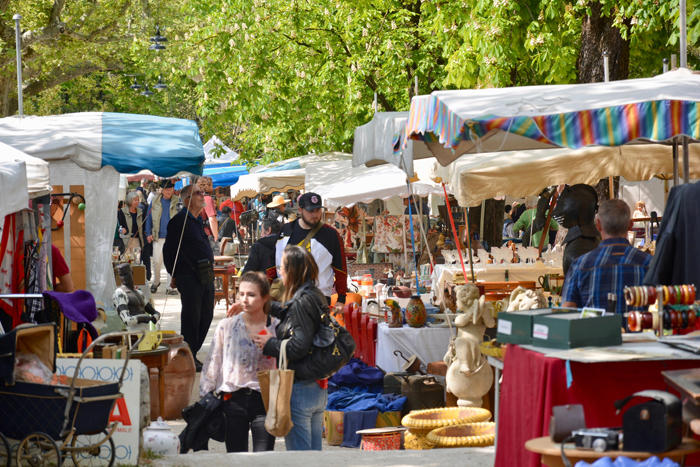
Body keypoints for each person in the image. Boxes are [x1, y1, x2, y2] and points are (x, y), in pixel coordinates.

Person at [249, 245, 328, 451]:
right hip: (317, 387)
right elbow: (290, 312)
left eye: (282, 268)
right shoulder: (314, 294)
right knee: (314, 458)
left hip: (301, 388)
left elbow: (299, 346)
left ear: (291, 271)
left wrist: (269, 344)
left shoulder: (302, 301)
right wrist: (261, 305)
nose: (279, 272)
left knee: (300, 461)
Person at [200, 272, 277, 453]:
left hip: (264, 401)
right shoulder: (227, 326)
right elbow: (213, 362)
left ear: (265, 298)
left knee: (264, 460)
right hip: (233, 399)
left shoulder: (275, 327)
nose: (245, 299)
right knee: (236, 458)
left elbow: (285, 364)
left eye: (251, 295)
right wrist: (205, 397)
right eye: (241, 294)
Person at [561, 199, 652, 314]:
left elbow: (567, 310)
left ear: (598, 225)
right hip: (639, 331)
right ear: (630, 225)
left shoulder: (580, 265)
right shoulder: (649, 263)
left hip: (596, 331)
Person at [163, 184, 214, 371]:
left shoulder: (197, 220)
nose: (203, 196)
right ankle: (189, 355)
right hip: (189, 277)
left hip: (205, 275)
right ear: (187, 200)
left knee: (207, 315)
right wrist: (174, 274)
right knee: (192, 317)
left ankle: (193, 350)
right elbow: (169, 251)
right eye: (198, 193)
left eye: (203, 193)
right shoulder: (179, 221)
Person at [275, 192, 347, 307]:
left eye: (318, 210)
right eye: (310, 211)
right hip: (289, 297)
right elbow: (277, 262)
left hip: (319, 299)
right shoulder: (286, 230)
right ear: (300, 210)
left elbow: (341, 268)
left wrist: (341, 298)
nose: (315, 215)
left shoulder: (331, 235)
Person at [145, 179, 180, 294]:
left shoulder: (177, 201)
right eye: (166, 189)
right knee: (156, 261)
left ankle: (170, 287)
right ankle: (156, 282)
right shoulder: (154, 201)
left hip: (172, 236)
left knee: (171, 262)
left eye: (170, 189)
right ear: (162, 190)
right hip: (157, 236)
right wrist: (148, 233)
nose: (169, 191)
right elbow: (148, 218)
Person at [117, 191, 146, 257]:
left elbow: (143, 226)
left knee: (136, 260)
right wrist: (122, 230)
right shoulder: (122, 211)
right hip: (126, 240)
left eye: (138, 200)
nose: (137, 202)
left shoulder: (140, 212)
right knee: (126, 261)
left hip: (137, 240)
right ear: (129, 200)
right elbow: (119, 226)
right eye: (135, 200)